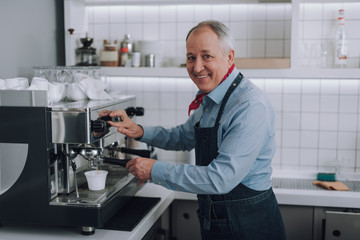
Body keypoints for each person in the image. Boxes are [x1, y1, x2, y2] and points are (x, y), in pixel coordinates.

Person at [106, 20, 286, 240]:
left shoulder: (249, 106)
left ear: (229, 57)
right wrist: (139, 130)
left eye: (206, 56)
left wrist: (155, 170)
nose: (197, 66)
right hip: (217, 219)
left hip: (249, 225)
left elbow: (220, 178)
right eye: (191, 57)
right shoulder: (212, 98)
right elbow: (182, 137)